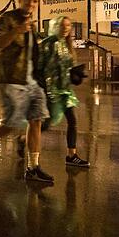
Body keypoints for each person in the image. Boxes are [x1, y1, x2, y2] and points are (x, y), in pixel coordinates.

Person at [0, 0, 53, 184]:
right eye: (28, 0)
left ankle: (33, 167)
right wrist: (16, 30)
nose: (31, 4)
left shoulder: (32, 26)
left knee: (36, 120)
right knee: (12, 123)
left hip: (31, 82)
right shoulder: (9, 19)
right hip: (11, 79)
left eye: (35, 1)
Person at [39, 16, 90, 168]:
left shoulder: (67, 44)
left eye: (69, 26)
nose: (67, 28)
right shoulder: (49, 43)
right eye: (63, 25)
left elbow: (66, 66)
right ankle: (24, 139)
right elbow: (40, 65)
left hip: (65, 90)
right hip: (51, 90)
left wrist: (75, 74)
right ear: (56, 26)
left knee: (72, 121)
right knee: (47, 123)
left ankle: (71, 155)